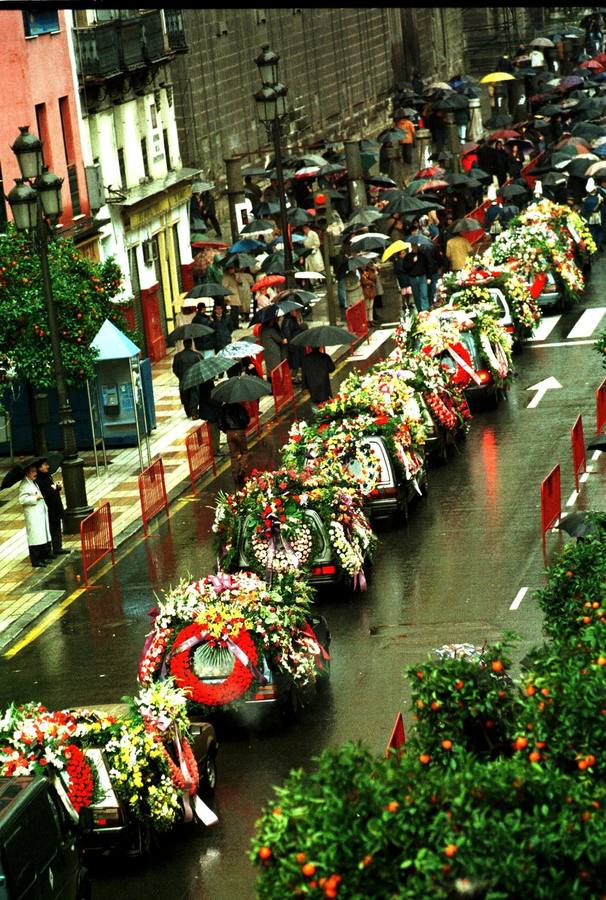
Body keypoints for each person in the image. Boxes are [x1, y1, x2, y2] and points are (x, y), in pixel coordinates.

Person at [19, 463, 52, 568]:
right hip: (33, 515)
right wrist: (35, 498)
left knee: (41, 536)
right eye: (32, 472)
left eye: (35, 471)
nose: (35, 473)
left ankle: (42, 557)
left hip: (39, 513)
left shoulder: (33, 482)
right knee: (35, 537)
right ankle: (36, 560)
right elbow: (22, 499)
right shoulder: (24, 485)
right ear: (27, 473)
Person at [35, 459, 69, 558]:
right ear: (39, 468)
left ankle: (58, 547)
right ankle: (49, 550)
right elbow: (44, 493)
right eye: (45, 465)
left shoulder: (47, 476)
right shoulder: (38, 480)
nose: (47, 466)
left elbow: (52, 489)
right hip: (49, 507)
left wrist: (57, 487)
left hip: (55, 505)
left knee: (57, 526)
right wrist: (52, 488)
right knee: (50, 528)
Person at [218, 401, 250, 488]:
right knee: (244, 452)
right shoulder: (239, 407)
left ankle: (235, 476)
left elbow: (220, 422)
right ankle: (241, 470)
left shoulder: (223, 408)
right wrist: (243, 427)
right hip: (239, 431)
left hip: (229, 433)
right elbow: (246, 419)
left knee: (233, 455)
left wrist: (226, 430)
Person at [172, 338, 201, 418]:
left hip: (183, 379)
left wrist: (180, 376)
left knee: (185, 395)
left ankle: (188, 412)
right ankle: (194, 412)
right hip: (194, 379)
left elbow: (175, 369)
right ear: (191, 344)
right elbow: (200, 367)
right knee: (194, 394)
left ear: (184, 344)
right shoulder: (197, 355)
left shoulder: (177, 356)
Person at [281, 309, 308, 384]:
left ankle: (294, 377)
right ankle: (292, 378)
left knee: (296, 364)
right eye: (296, 311)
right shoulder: (288, 321)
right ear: (290, 311)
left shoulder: (292, 319)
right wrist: (291, 346)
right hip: (293, 347)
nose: (298, 312)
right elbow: (288, 334)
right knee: (294, 364)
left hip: (296, 345)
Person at [402, 246, 430, 313]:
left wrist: (429, 277)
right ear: (411, 247)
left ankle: (425, 310)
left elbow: (427, 266)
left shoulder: (422, 255)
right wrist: (413, 261)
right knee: (416, 296)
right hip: (413, 278)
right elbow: (406, 267)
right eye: (413, 246)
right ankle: (419, 310)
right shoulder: (408, 256)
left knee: (424, 294)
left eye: (415, 246)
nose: (414, 247)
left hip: (422, 277)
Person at [221, 264, 242, 330]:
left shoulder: (235, 275)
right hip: (231, 295)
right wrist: (226, 295)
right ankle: (233, 325)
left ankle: (236, 325)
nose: (233, 270)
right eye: (231, 269)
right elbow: (224, 286)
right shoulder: (225, 277)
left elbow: (240, 284)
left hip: (236, 294)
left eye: (233, 269)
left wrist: (238, 280)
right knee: (233, 312)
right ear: (228, 270)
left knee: (236, 311)